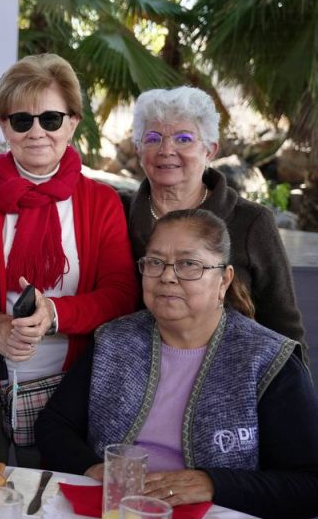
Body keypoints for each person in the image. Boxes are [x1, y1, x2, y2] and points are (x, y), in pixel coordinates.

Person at [36, 209, 318, 519]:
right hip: (112, 516)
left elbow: (308, 484)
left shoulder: (266, 359)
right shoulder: (114, 341)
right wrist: (93, 468)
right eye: (155, 262)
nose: (167, 276)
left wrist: (212, 484)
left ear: (223, 280)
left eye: (188, 264)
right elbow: (54, 425)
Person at [0, 53, 138, 467]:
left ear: (73, 122)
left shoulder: (100, 202)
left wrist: (56, 314)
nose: (36, 132)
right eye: (21, 120)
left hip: (70, 392)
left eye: (50, 118)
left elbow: (122, 295)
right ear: (3, 126)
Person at [126, 86, 305, 350]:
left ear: (210, 150)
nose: (166, 149)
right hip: (128, 373)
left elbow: (285, 329)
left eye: (183, 138)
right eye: (153, 138)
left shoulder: (252, 222)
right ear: (139, 149)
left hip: (230, 376)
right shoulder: (115, 212)